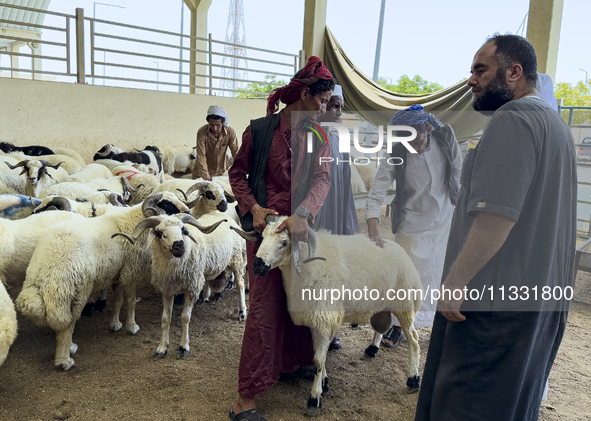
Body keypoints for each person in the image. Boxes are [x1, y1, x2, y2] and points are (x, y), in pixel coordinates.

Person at [414, 34, 576, 421]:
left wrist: (453, 283)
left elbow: (497, 216)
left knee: (467, 404)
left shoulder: (513, 121)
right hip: (537, 300)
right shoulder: (556, 129)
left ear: (514, 72)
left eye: (480, 69)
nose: (471, 79)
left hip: (493, 305)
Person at [228, 56, 334, 421]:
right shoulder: (259, 131)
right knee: (264, 308)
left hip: (300, 233)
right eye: (321, 101)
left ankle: (290, 363)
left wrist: (304, 212)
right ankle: (246, 399)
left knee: (299, 300)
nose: (324, 108)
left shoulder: (320, 136)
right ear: (303, 94)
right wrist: (254, 208)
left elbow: (323, 180)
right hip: (267, 235)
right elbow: (237, 174)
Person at [366, 104, 462, 348]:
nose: (410, 145)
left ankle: (438, 323)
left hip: (443, 220)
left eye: (414, 138)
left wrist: (464, 215)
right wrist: (373, 233)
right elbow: (376, 194)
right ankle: (399, 327)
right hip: (410, 222)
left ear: (428, 129)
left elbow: (459, 177)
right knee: (406, 276)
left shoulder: (446, 139)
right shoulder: (395, 153)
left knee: (438, 274)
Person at [314, 84, 359, 350]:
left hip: (336, 215)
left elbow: (345, 179)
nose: (338, 112)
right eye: (333, 106)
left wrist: (348, 222)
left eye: (340, 107)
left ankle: (331, 331)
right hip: (316, 214)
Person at [192, 105, 238, 181]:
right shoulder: (202, 132)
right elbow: (201, 155)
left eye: (218, 125)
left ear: (223, 123)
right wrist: (205, 176)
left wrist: (240, 172)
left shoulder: (230, 132)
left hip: (219, 174)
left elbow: (235, 152)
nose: (215, 128)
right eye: (212, 125)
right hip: (200, 174)